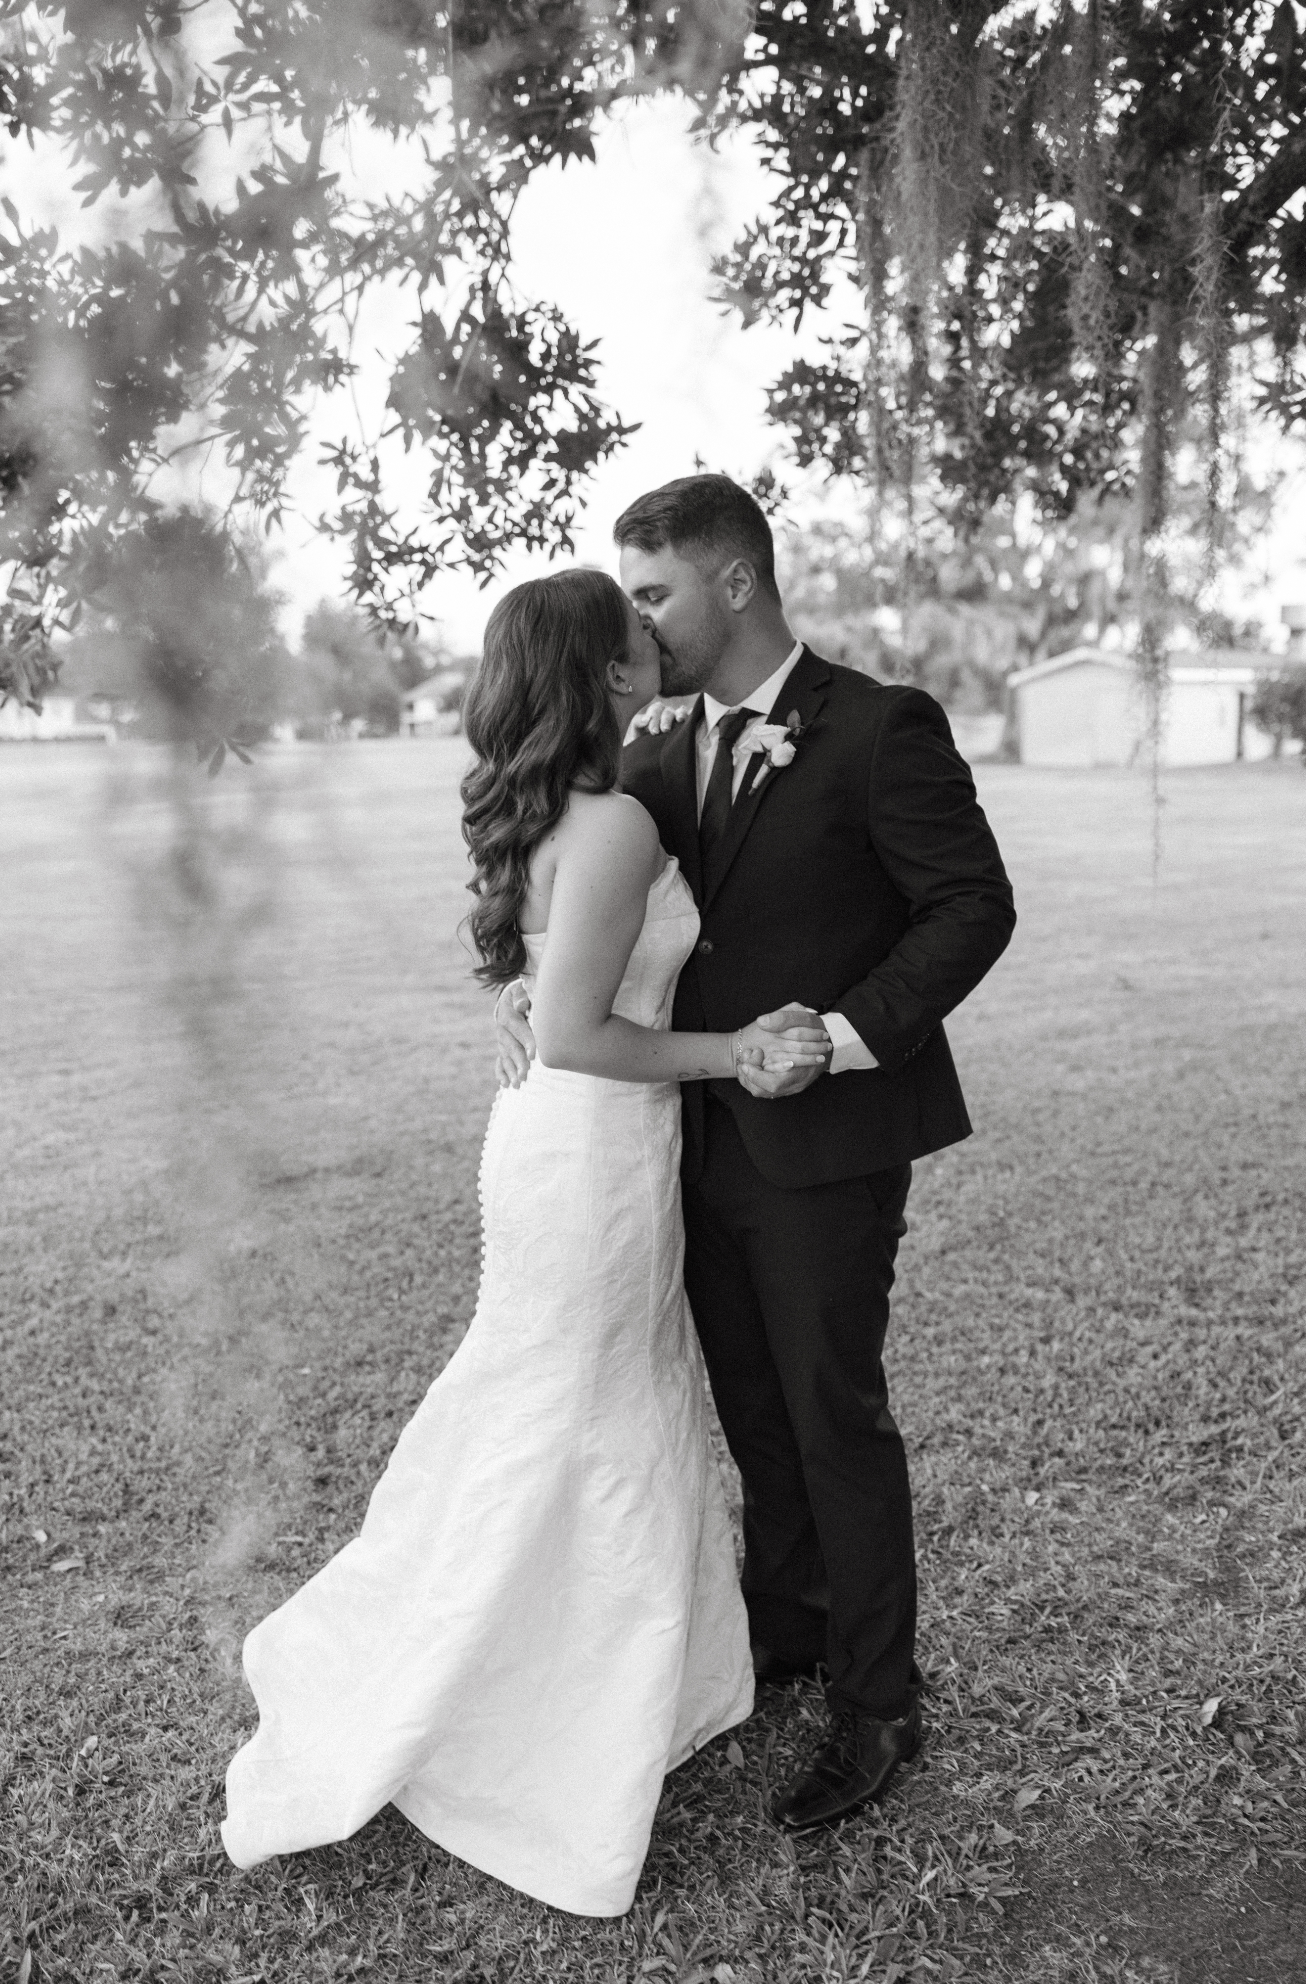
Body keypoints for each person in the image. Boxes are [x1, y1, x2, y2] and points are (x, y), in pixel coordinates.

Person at [219, 568, 829, 1917]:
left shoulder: (580, 804)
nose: (656, 640)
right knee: (572, 1409)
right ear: (608, 676)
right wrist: (731, 1049)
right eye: (636, 633)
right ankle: (529, 1707)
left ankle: (629, 1673)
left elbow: (548, 988)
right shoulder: (607, 822)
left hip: (580, 1142)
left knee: (584, 1397)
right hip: (591, 1141)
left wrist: (524, 990)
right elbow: (575, 1030)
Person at [496, 474, 1016, 1832]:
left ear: (732, 581)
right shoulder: (656, 750)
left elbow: (969, 905)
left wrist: (843, 1036)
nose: (643, 621)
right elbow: (594, 920)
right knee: (751, 1411)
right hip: (682, 1144)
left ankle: (877, 1705)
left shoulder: (877, 727)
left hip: (830, 1140)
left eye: (655, 592)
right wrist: (534, 990)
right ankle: (787, 1631)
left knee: (831, 1413)